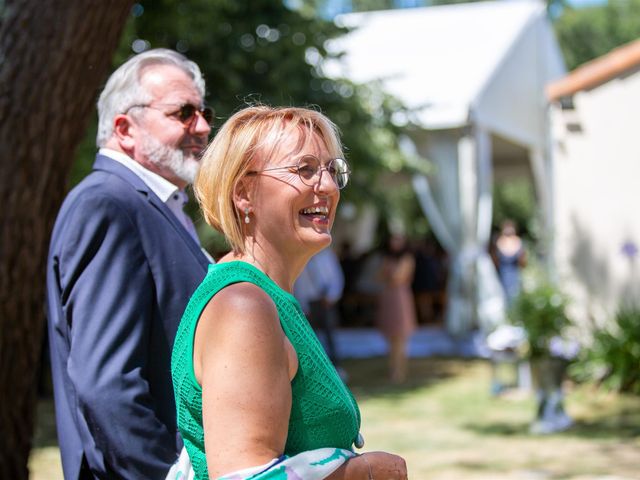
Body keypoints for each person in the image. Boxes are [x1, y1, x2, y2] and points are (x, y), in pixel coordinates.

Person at [171, 105, 407, 479]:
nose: (328, 187)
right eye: (305, 169)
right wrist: (366, 472)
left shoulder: (267, 298)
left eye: (332, 170)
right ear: (244, 193)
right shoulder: (242, 306)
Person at [45, 48, 212, 479]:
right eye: (184, 112)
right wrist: (167, 473)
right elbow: (107, 381)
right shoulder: (107, 204)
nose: (204, 126)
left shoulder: (159, 205)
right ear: (125, 127)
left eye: (204, 111)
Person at [294, 246, 346, 378]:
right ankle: (314, 371)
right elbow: (299, 283)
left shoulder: (327, 255)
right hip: (308, 302)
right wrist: (303, 305)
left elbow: (336, 277)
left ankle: (336, 368)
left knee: (331, 335)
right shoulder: (299, 257)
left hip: (325, 300)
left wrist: (331, 297)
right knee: (311, 337)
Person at [376, 234, 418, 384]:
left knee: (400, 337)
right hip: (389, 298)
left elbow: (397, 278)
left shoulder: (407, 258)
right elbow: (379, 277)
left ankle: (399, 371)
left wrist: (388, 274)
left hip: (400, 298)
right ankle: (393, 368)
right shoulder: (388, 258)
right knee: (391, 337)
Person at [491, 219, 527, 306]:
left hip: (514, 274)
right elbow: (495, 260)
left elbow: (523, 262)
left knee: (514, 296)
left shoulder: (518, 242)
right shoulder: (499, 242)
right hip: (502, 273)